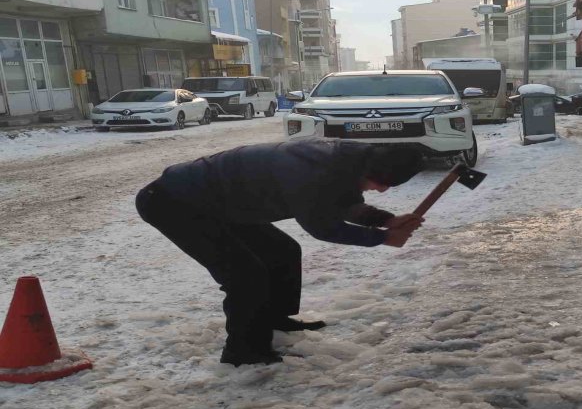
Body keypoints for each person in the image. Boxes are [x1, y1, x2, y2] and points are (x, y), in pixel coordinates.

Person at [135, 139, 426, 366]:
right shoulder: (312, 171)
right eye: (381, 183)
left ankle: (273, 318)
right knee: (245, 275)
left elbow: (342, 201)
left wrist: (385, 221)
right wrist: (382, 239)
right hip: (174, 203)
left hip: (222, 204)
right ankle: (243, 352)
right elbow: (323, 226)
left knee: (282, 252)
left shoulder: (348, 160)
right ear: (368, 171)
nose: (383, 190)